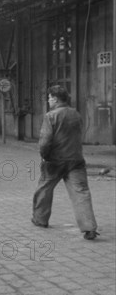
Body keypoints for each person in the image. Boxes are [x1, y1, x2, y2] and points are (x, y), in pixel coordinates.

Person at [31, 85, 99, 240]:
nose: (48, 100)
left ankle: (40, 220)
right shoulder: (76, 114)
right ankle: (89, 228)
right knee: (81, 192)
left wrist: (44, 156)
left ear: (55, 99)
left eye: (49, 98)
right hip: (76, 160)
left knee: (44, 190)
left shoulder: (51, 116)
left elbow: (45, 142)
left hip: (54, 161)